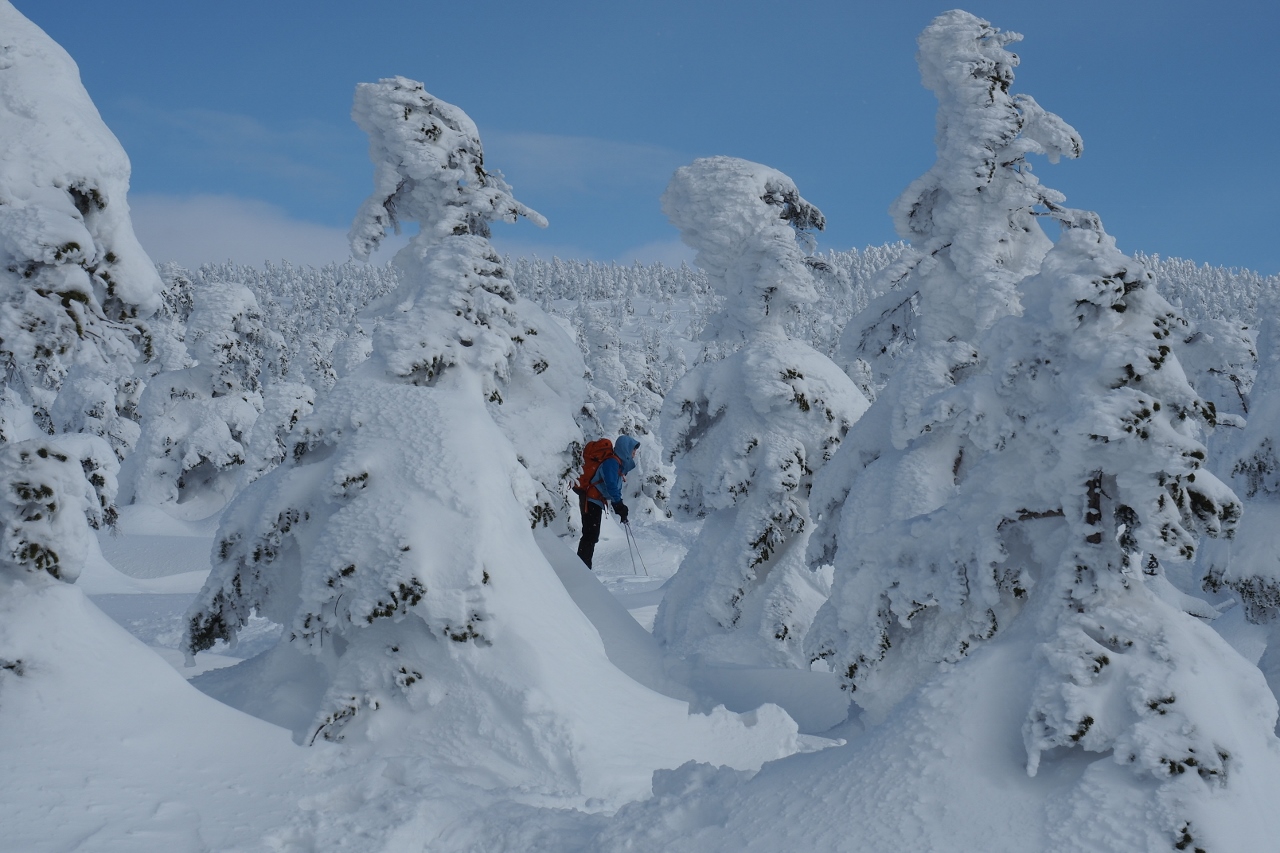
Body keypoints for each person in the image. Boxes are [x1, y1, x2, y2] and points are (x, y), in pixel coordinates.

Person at [575, 434, 639, 569]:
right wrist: (618, 504)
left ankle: (583, 569)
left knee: (591, 535)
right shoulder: (611, 462)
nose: (634, 453)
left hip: (595, 501)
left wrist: (619, 505)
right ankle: (581, 570)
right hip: (591, 500)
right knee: (590, 536)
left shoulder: (617, 464)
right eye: (633, 449)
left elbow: (613, 486)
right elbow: (610, 484)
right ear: (625, 449)